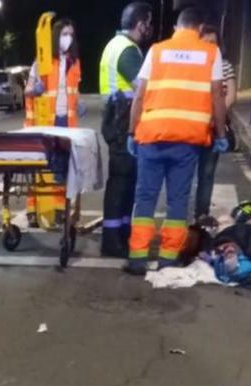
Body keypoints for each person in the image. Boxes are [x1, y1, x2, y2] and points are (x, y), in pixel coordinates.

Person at [125, 7, 228, 274]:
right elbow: (217, 96)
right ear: (200, 29)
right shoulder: (210, 53)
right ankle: (168, 258)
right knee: (178, 200)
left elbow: (139, 95)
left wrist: (131, 131)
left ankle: (137, 258)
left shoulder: (157, 50)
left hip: (152, 135)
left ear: (177, 28)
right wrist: (221, 134)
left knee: (145, 198)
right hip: (187, 140)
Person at [98, 2, 153, 258]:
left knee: (124, 180)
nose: (150, 28)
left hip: (115, 117)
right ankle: (112, 240)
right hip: (122, 119)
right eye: (148, 22)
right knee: (121, 181)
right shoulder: (128, 51)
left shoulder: (114, 45)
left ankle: (120, 233)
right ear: (140, 23)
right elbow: (143, 89)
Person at [24, 18, 83, 229]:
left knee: (61, 170)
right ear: (55, 36)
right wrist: (35, 88)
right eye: (64, 34)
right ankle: (32, 211)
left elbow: (74, 92)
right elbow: (28, 90)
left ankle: (59, 210)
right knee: (39, 168)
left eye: (70, 35)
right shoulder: (42, 61)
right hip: (44, 122)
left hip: (66, 123)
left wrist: (80, 103)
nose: (67, 39)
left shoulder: (75, 63)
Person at [192, 24, 237, 221]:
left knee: (207, 173)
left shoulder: (224, 65)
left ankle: (201, 215)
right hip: (192, 127)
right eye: (206, 42)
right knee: (184, 173)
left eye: (214, 43)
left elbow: (231, 95)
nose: (210, 46)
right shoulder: (193, 65)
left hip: (213, 129)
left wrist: (215, 115)